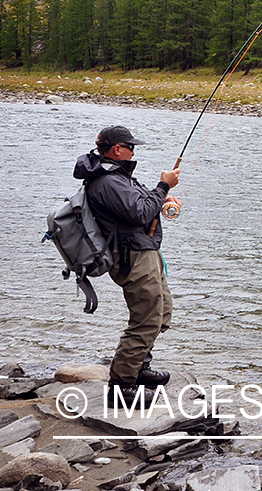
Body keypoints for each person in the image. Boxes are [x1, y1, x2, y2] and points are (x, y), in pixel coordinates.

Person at [73, 125, 181, 404]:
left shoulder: (117, 176)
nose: (134, 151)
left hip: (144, 252)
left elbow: (143, 204)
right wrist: (164, 185)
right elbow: (140, 211)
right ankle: (120, 388)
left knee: (161, 313)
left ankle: (139, 368)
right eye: (130, 147)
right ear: (117, 149)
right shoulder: (108, 181)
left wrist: (162, 198)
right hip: (132, 257)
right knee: (146, 319)